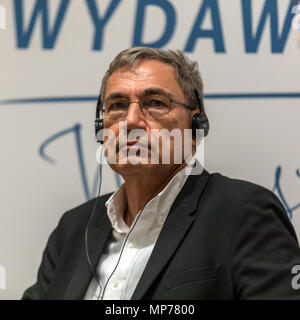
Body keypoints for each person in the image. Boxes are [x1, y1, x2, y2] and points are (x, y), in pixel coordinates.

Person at [23, 47, 300, 300]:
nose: (131, 120)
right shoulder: (73, 227)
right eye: (117, 105)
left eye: (155, 102)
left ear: (196, 128)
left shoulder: (244, 213)